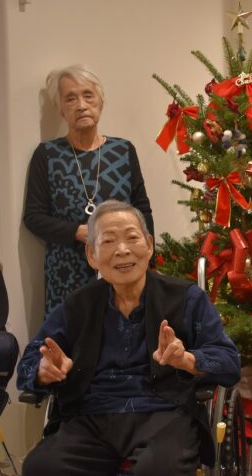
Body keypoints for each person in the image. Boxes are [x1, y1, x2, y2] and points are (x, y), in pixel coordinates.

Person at [17, 200, 240, 475]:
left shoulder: (187, 298)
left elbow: (229, 361)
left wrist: (187, 360)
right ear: (91, 254)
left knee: (160, 468)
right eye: (109, 241)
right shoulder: (77, 305)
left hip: (164, 412)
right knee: (41, 467)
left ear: (149, 245)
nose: (122, 250)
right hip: (91, 415)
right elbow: (29, 360)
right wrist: (43, 370)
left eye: (132, 238)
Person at [24, 64, 153, 316]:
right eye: (70, 98)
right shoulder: (47, 155)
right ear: (60, 109)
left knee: (126, 329)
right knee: (71, 336)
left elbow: (142, 210)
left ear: (100, 103)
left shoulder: (123, 151)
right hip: (67, 272)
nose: (81, 105)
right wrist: (79, 232)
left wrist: (147, 259)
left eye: (88, 96)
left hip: (122, 265)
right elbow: (33, 217)